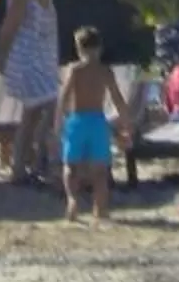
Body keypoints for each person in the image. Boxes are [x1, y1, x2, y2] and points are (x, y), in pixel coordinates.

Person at [0, 0, 68, 184]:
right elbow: (8, 28)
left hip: (43, 62)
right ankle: (39, 162)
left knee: (32, 116)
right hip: (26, 63)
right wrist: (2, 57)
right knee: (53, 105)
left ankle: (22, 167)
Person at [56, 25, 132, 221]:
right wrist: (126, 126)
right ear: (100, 48)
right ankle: (100, 208)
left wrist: (58, 121)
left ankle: (72, 200)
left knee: (71, 166)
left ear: (78, 48)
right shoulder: (105, 71)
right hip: (97, 121)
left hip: (77, 120)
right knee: (100, 171)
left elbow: (63, 98)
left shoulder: (75, 70)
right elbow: (118, 99)